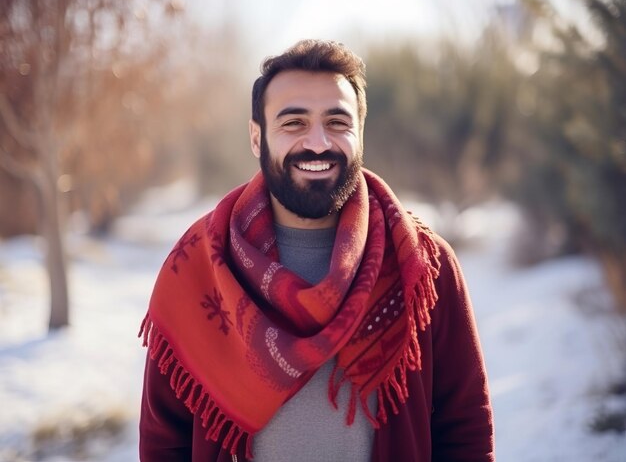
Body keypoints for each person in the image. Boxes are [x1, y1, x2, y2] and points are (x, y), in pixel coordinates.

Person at [139, 39, 494, 462]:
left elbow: (465, 427)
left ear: (360, 133)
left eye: (337, 122)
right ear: (257, 137)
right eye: (293, 123)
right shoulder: (200, 266)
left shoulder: (421, 266)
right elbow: (165, 439)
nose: (319, 142)